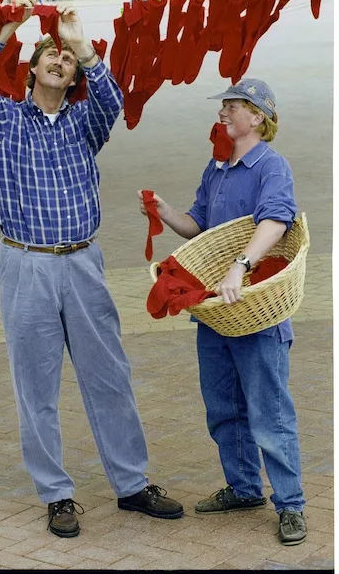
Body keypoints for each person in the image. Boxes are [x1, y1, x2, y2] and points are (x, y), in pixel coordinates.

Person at [0, 0, 184, 539]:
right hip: (25, 265)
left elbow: (113, 101)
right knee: (35, 385)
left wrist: (81, 45)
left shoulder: (87, 121)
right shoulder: (2, 121)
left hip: (83, 263)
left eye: (64, 59)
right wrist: (13, 22)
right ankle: (57, 494)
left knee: (109, 375)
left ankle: (131, 484)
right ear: (31, 69)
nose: (59, 60)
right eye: (50, 56)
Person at [138, 79, 307, 547]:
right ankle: (244, 488)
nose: (225, 112)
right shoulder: (216, 168)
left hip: (256, 311)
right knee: (223, 408)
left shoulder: (272, 167)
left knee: (269, 414)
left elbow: (276, 219)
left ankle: (290, 505)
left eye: (234, 106)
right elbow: (200, 229)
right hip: (217, 313)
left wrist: (240, 267)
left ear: (258, 117)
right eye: (226, 106)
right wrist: (165, 211)